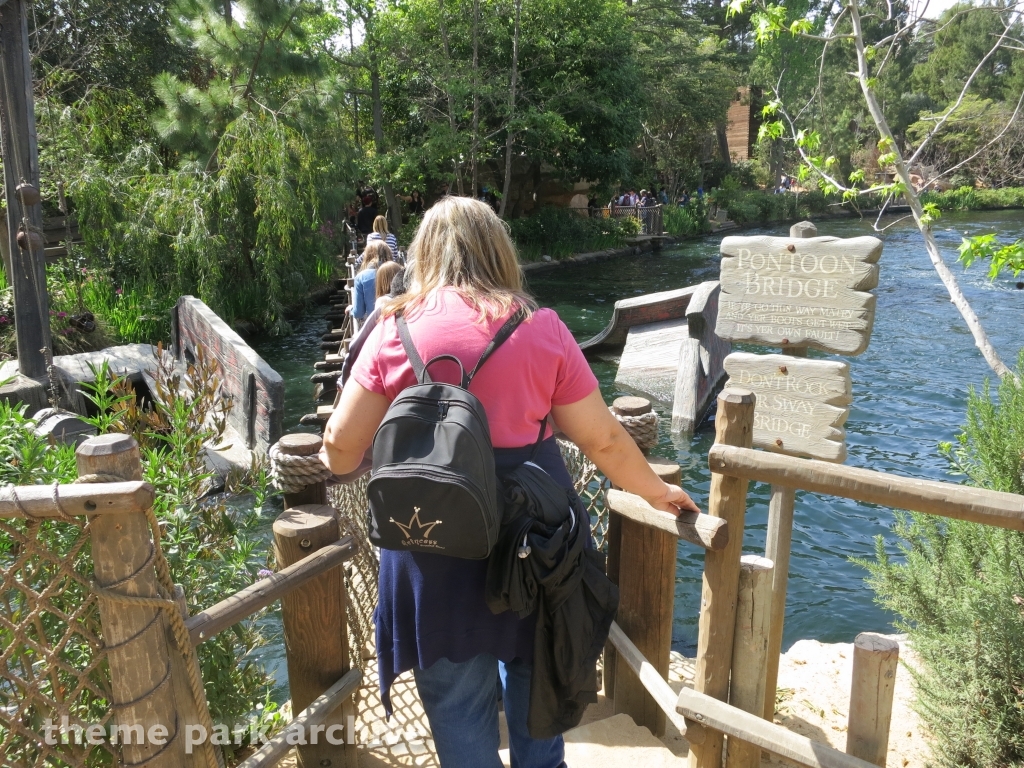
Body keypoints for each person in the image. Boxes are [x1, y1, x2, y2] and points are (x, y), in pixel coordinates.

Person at [320, 196, 699, 768]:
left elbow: (339, 452)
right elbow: (603, 441)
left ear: (423, 253)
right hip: (534, 541)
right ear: (501, 251)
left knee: (455, 707)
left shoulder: (391, 326)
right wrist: (656, 491)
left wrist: (410, 450)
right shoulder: (540, 327)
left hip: (430, 543)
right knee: (538, 682)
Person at [350, 241, 391, 321]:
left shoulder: (361, 277)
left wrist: (351, 310)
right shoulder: (397, 271)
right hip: (396, 324)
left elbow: (358, 313)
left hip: (375, 325)